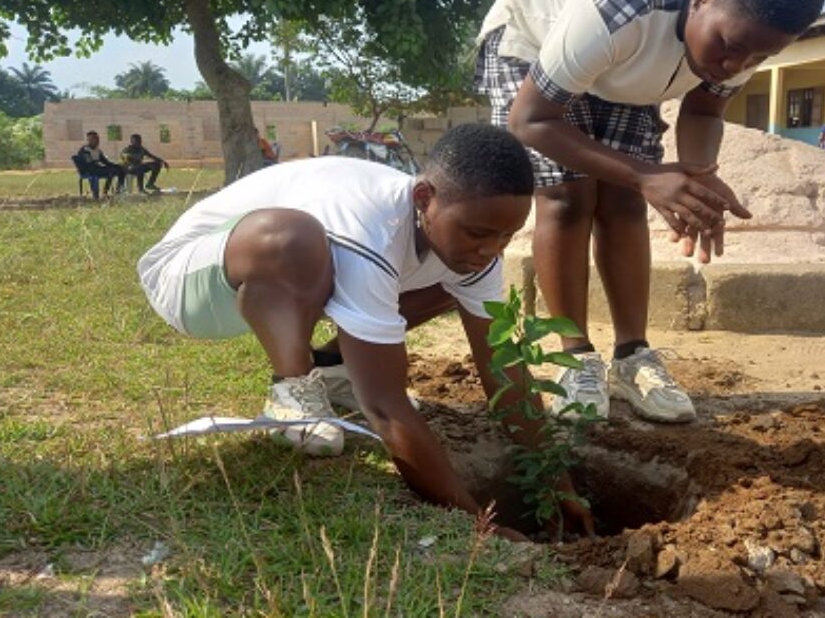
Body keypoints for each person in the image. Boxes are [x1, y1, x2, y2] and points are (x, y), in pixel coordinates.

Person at [138, 124, 594, 539]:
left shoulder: (470, 250)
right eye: (477, 233)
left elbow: (505, 371)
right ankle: (294, 388)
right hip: (193, 279)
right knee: (293, 236)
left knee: (452, 285)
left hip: (290, 278)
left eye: (506, 237)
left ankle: (335, 371)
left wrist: (558, 484)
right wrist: (476, 522)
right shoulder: (372, 225)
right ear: (424, 199)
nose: (490, 252)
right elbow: (386, 408)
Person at [475, 0, 825, 424]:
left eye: (759, 57)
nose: (737, 64)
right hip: (532, 44)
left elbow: (703, 112)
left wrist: (696, 178)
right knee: (567, 196)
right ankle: (574, 357)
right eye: (730, 46)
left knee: (623, 201)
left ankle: (631, 357)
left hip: (625, 72)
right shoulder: (622, 4)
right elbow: (531, 120)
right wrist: (647, 175)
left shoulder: (745, 28)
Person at [77, 131, 126, 196]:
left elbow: (105, 162)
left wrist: (116, 166)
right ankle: (98, 194)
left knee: (120, 170)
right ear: (89, 140)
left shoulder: (97, 150)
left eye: (97, 139)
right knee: (109, 171)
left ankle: (118, 191)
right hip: (89, 171)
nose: (96, 141)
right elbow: (89, 164)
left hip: (98, 169)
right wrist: (103, 167)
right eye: (93, 139)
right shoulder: (84, 150)